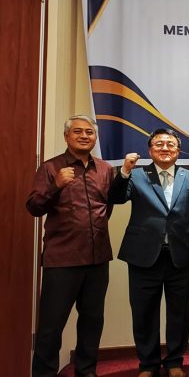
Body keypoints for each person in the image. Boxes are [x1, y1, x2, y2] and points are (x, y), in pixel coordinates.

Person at [109, 128, 189, 377]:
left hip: (180, 255)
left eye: (170, 144)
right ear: (150, 150)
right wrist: (124, 171)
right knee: (144, 313)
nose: (165, 148)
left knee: (179, 313)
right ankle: (148, 364)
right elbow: (116, 198)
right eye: (159, 144)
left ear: (178, 150)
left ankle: (175, 362)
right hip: (143, 255)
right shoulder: (137, 175)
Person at [27, 115, 113, 377]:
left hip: (97, 259)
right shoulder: (51, 168)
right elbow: (34, 207)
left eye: (89, 132)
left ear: (95, 137)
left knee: (92, 322)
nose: (84, 136)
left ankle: (86, 371)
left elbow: (105, 208)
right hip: (62, 259)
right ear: (67, 136)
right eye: (77, 131)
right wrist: (55, 186)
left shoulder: (105, 169)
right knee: (51, 327)